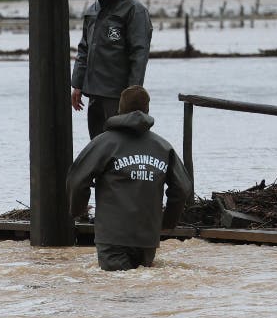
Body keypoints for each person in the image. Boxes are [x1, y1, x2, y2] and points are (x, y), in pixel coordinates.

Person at [68, 86, 192, 271]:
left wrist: (77, 209)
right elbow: (182, 188)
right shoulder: (163, 147)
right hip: (147, 239)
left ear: (119, 109)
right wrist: (166, 223)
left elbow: (77, 180)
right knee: (142, 293)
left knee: (117, 294)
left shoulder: (103, 143)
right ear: (148, 110)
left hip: (113, 239)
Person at [71, 0, 152, 140]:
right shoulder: (93, 10)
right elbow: (84, 48)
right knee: (98, 145)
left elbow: (139, 55)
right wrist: (77, 85)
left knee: (121, 143)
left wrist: (133, 95)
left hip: (120, 95)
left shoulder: (135, 10)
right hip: (94, 94)